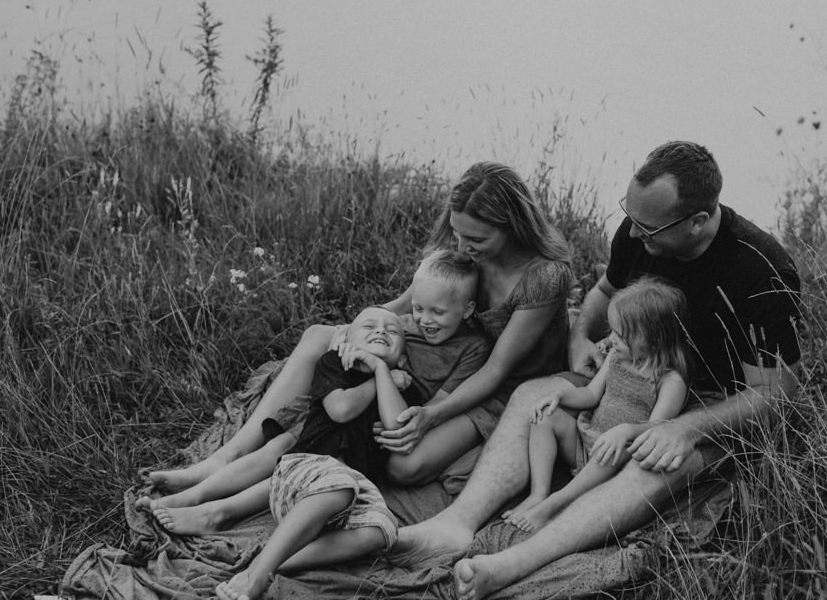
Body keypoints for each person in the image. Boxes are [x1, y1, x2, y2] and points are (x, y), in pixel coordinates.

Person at [388, 141, 803, 600]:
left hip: (708, 403)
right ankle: (455, 525)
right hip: (629, 370)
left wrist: (684, 428)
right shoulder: (638, 231)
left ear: (698, 222)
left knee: (652, 464)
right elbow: (605, 291)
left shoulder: (761, 270)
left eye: (650, 228)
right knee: (532, 394)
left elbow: (777, 391)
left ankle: (508, 566)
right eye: (631, 214)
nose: (635, 233)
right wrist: (582, 336)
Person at [146, 161, 573, 495]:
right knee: (319, 336)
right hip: (441, 356)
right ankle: (232, 453)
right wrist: (355, 336)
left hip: (498, 388)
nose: (463, 248)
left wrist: (430, 416)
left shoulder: (544, 277)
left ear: (512, 225)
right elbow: (402, 306)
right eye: (458, 235)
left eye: (475, 240)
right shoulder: (468, 256)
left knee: (402, 466)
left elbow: (497, 370)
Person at [139, 250, 491, 535]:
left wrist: (394, 387)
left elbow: (430, 408)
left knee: (298, 464)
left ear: (468, 310)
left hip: (376, 422)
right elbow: (374, 325)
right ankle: (200, 486)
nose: (423, 320)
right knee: (280, 445)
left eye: (437, 312)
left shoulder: (470, 348)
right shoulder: (403, 325)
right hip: (348, 401)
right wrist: (352, 341)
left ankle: (217, 512)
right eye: (417, 309)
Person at [211, 305, 412, 600]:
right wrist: (375, 376)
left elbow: (398, 426)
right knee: (339, 484)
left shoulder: (399, 385)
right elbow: (341, 410)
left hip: (350, 492)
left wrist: (384, 372)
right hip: (303, 470)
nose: (381, 331)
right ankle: (259, 574)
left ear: (402, 358)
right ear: (346, 342)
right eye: (369, 326)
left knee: (384, 529)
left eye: (392, 330)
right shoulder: (334, 365)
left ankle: (279, 559)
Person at [502, 276, 690, 533]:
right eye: (612, 330)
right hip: (586, 442)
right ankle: (539, 493)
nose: (611, 339)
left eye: (621, 335)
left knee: (614, 451)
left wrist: (626, 430)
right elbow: (591, 395)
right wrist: (559, 396)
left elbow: (657, 428)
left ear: (654, 341)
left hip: (617, 460)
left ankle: (557, 503)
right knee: (545, 416)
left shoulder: (669, 379)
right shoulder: (616, 357)